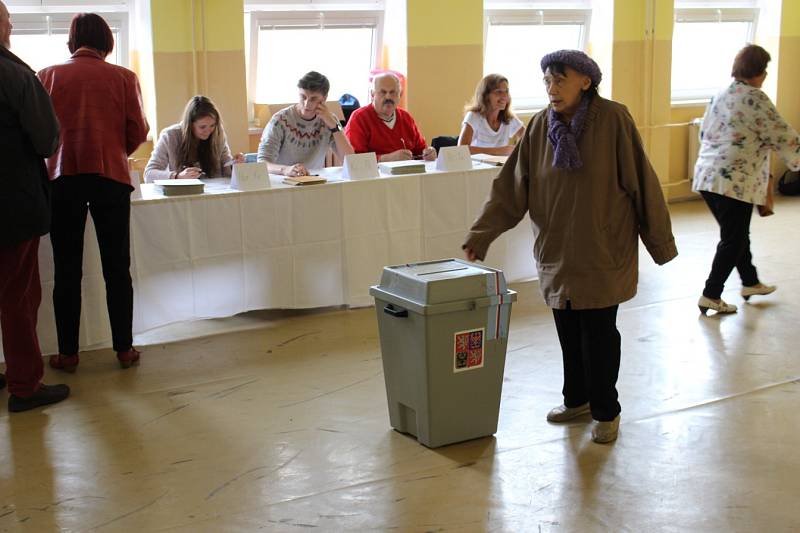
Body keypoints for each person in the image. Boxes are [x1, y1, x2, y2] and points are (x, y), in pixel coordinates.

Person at [462, 50, 677, 444]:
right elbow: (512, 187)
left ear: (586, 81)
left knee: (599, 333)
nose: (552, 88)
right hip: (557, 250)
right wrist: (482, 233)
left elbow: (642, 181)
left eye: (560, 80)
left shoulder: (614, 119)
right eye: (547, 81)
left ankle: (606, 411)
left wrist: (659, 242)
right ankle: (576, 398)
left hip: (602, 247)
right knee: (567, 328)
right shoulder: (541, 126)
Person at [38, 12, 149, 372]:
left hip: (62, 177)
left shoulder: (47, 76)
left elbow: (40, 133)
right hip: (110, 175)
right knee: (117, 267)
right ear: (107, 41)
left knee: (67, 269)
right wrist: (116, 152)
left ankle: (68, 354)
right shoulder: (124, 77)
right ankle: (124, 349)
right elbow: (138, 130)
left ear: (72, 40)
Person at [693, 44, 800, 315]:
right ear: (759, 72)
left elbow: (703, 134)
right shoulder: (755, 98)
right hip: (734, 182)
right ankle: (711, 294)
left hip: (707, 176)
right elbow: (783, 135)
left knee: (737, 233)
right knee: (733, 238)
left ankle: (750, 282)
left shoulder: (720, 94)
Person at [0, 0, 70, 411]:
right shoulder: (14, 75)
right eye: (8, 21)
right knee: (18, 295)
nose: (11, 27)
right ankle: (25, 385)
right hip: (11, 202)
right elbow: (46, 139)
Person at [257, 71, 354, 177]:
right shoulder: (280, 120)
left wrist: (335, 127)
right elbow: (262, 163)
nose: (307, 104)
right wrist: (285, 170)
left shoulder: (331, 120)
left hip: (314, 181)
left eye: (313, 99)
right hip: (283, 180)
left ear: (324, 98)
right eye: (303, 97)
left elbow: (349, 160)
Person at [144, 95, 243, 182]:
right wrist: (177, 177)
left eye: (212, 125)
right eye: (202, 127)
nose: (208, 131)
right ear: (190, 124)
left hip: (214, 195)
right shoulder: (170, 136)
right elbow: (148, 174)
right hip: (182, 196)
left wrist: (235, 166)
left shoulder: (218, 134)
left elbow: (227, 172)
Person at [345, 73, 437, 162]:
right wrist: (386, 159)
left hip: (407, 175)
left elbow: (420, 150)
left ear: (400, 95)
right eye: (383, 92)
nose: (388, 97)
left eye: (393, 92)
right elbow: (355, 160)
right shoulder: (359, 118)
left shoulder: (406, 118)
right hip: (375, 176)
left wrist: (429, 153)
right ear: (372, 94)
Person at [458, 74, 524, 156]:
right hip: (478, 167)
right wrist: (501, 151)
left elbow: (528, 140)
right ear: (486, 95)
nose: (504, 96)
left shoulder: (509, 118)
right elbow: (461, 149)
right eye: (498, 92)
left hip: (501, 168)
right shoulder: (473, 116)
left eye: (506, 91)